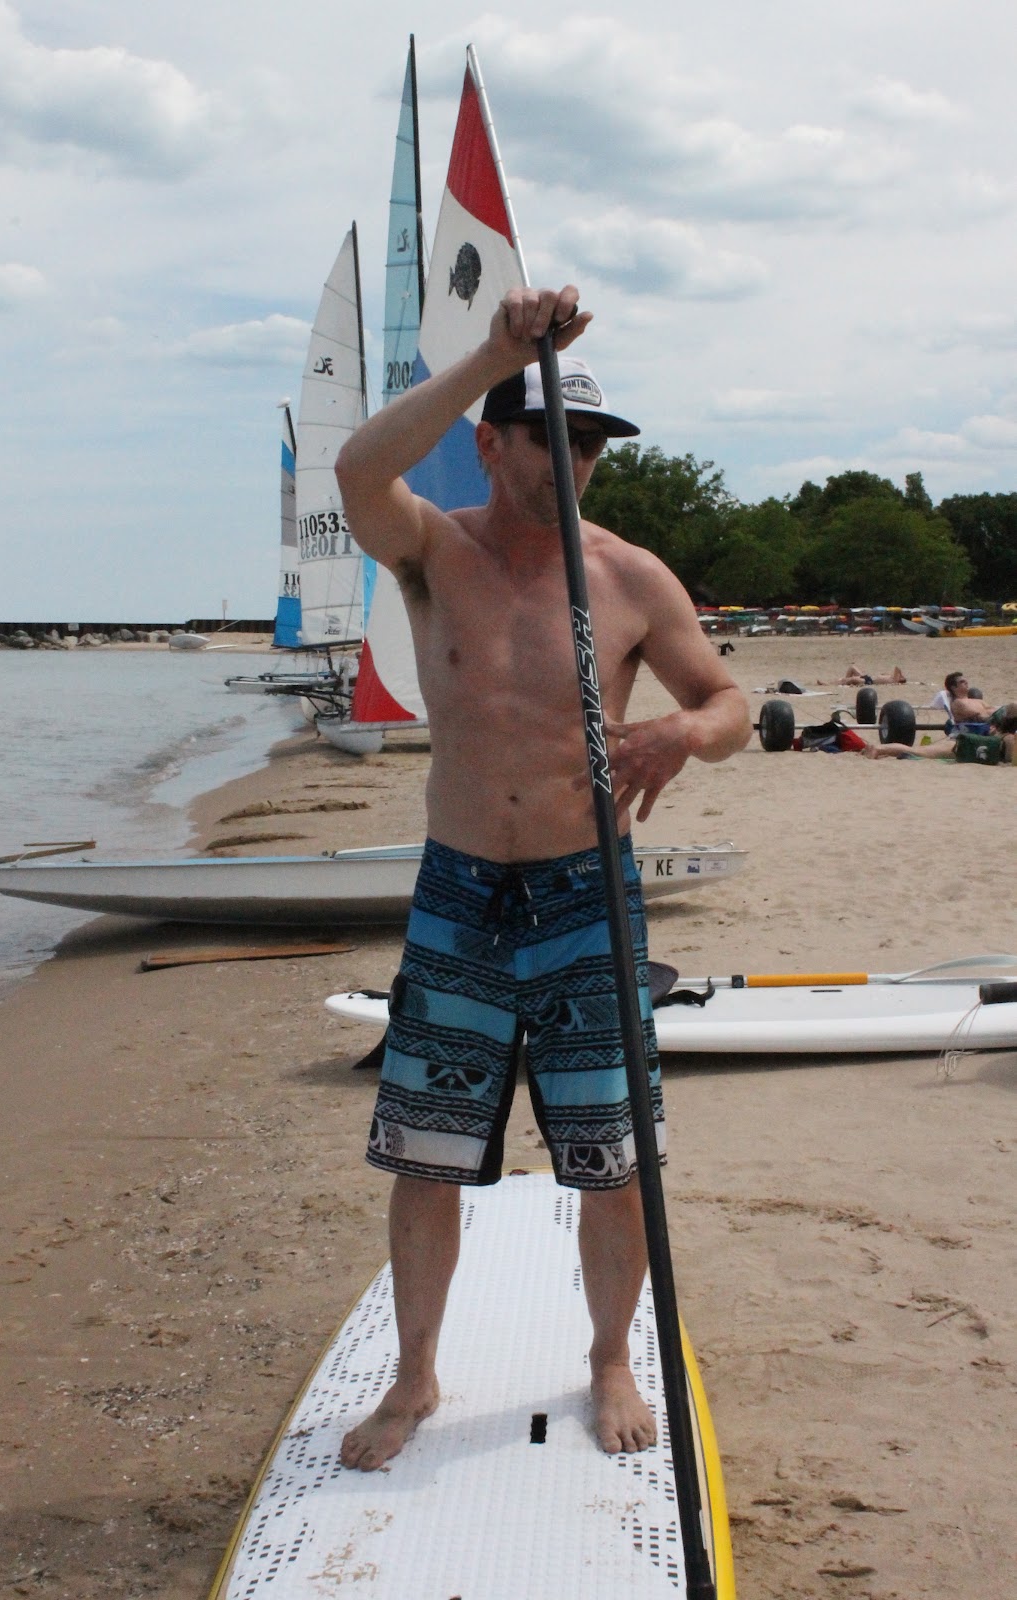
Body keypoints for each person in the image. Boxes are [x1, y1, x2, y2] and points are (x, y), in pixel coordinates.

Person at [332, 284, 751, 1472]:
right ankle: (414, 1375)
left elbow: (727, 702)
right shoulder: (432, 548)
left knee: (612, 1156)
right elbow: (358, 471)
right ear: (490, 443)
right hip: (460, 893)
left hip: (584, 897)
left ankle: (609, 1357)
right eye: (547, 437)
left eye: (587, 444)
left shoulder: (627, 575)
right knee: (425, 1155)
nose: (571, 461)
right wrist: (491, 354)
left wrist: (683, 733)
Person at [864, 701, 1017, 762]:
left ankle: (882, 750)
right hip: (964, 746)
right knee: (918, 752)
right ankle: (879, 749)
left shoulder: (1001, 732)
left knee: (921, 750)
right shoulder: (1010, 739)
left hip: (967, 740)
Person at [816, 665, 906, 686]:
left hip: (868, 681)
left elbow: (897, 667)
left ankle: (828, 684)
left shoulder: (894, 680)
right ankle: (843, 682)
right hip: (867, 677)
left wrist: (901, 675)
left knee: (851, 679)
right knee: (852, 668)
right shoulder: (891, 677)